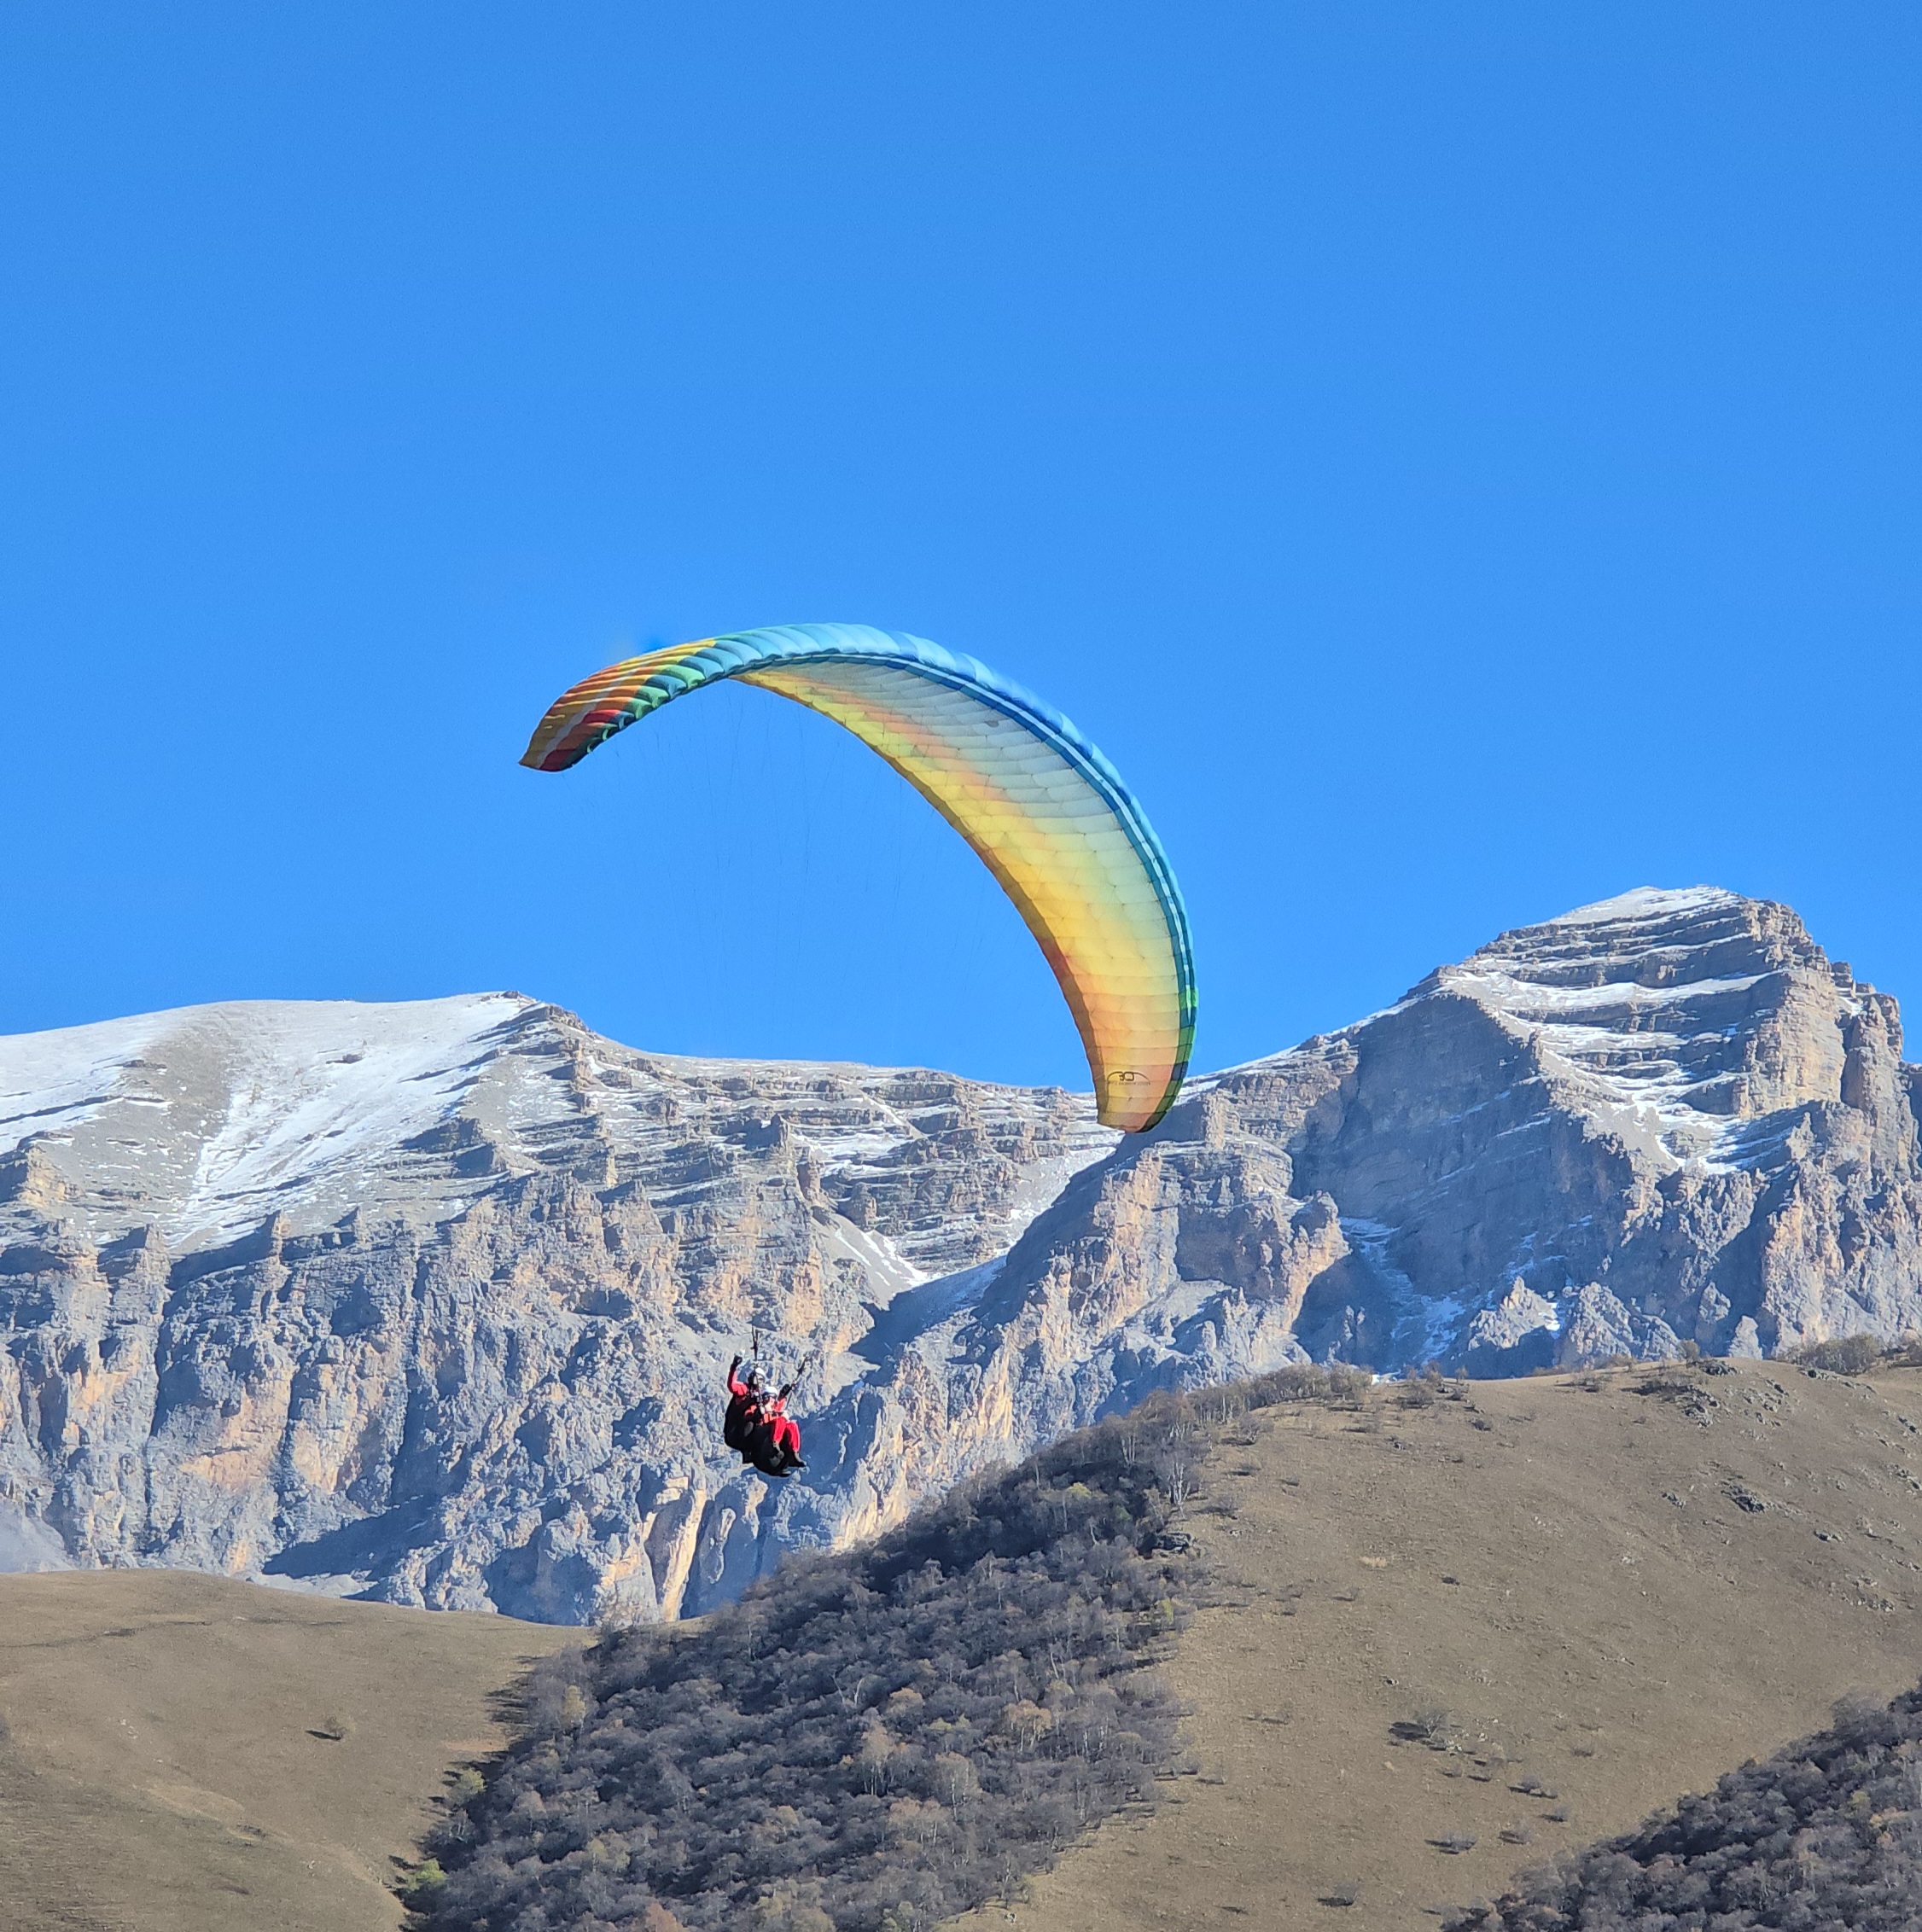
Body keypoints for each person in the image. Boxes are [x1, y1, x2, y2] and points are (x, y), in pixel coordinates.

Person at [723, 1355, 763, 1457]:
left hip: (741, 1430)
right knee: (750, 1423)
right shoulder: (744, 1390)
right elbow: (732, 1386)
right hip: (734, 1431)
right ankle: (748, 1450)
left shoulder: (758, 1398)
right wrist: (734, 1368)